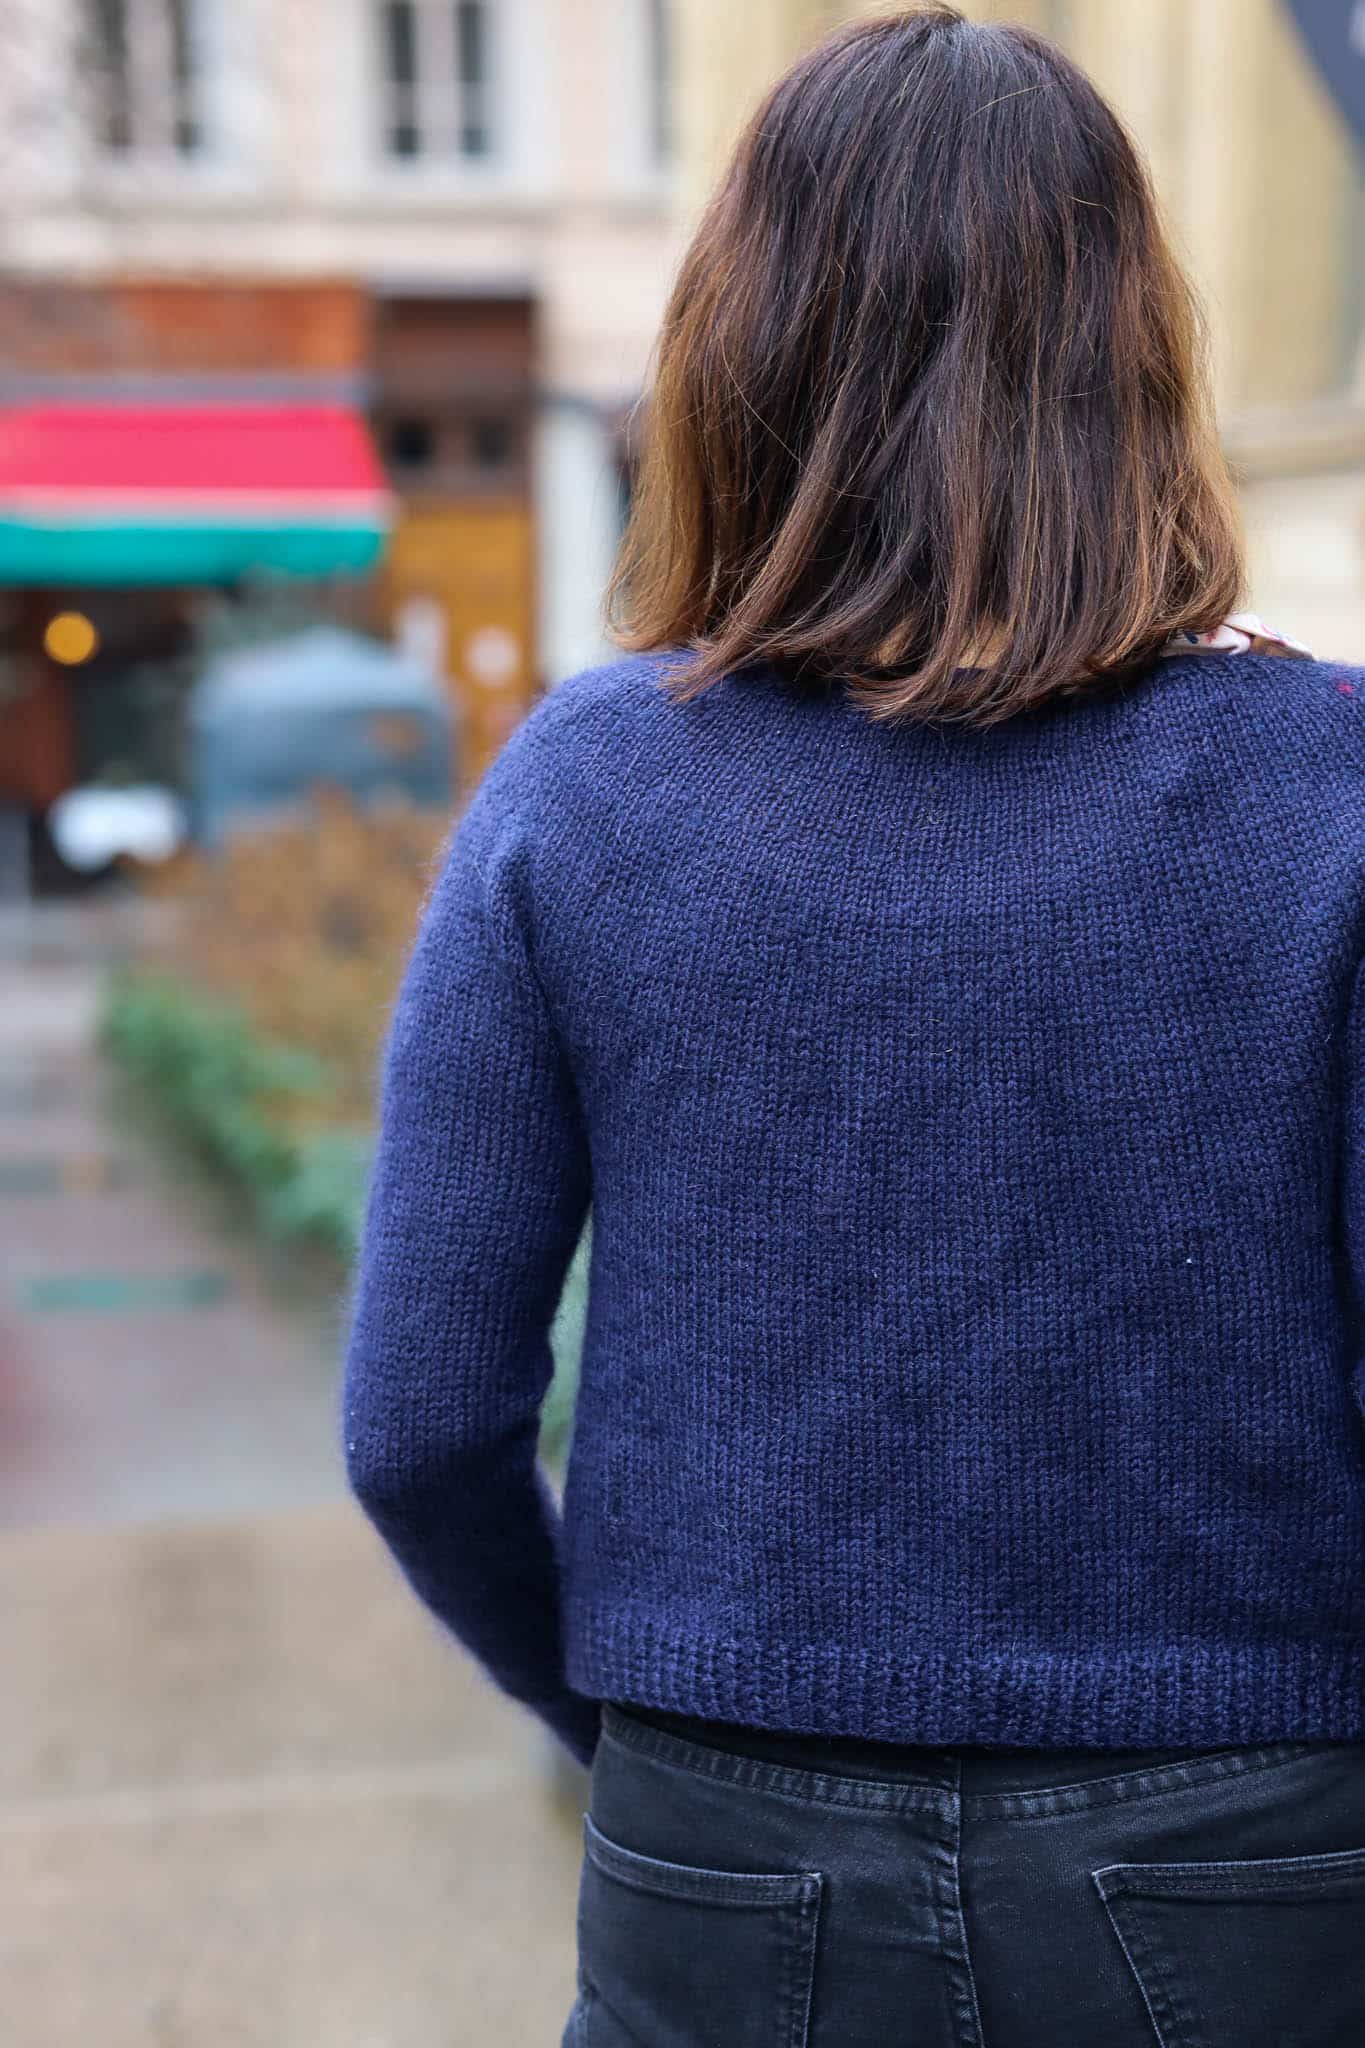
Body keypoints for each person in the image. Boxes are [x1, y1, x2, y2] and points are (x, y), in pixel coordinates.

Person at [343, 7, 1365, 2041]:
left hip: (722, 1825)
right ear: (1133, 356)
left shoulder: (584, 793)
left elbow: (421, 1420)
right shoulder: (1329, 788)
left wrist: (639, 1703)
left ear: (740, 355)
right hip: (1248, 1829)